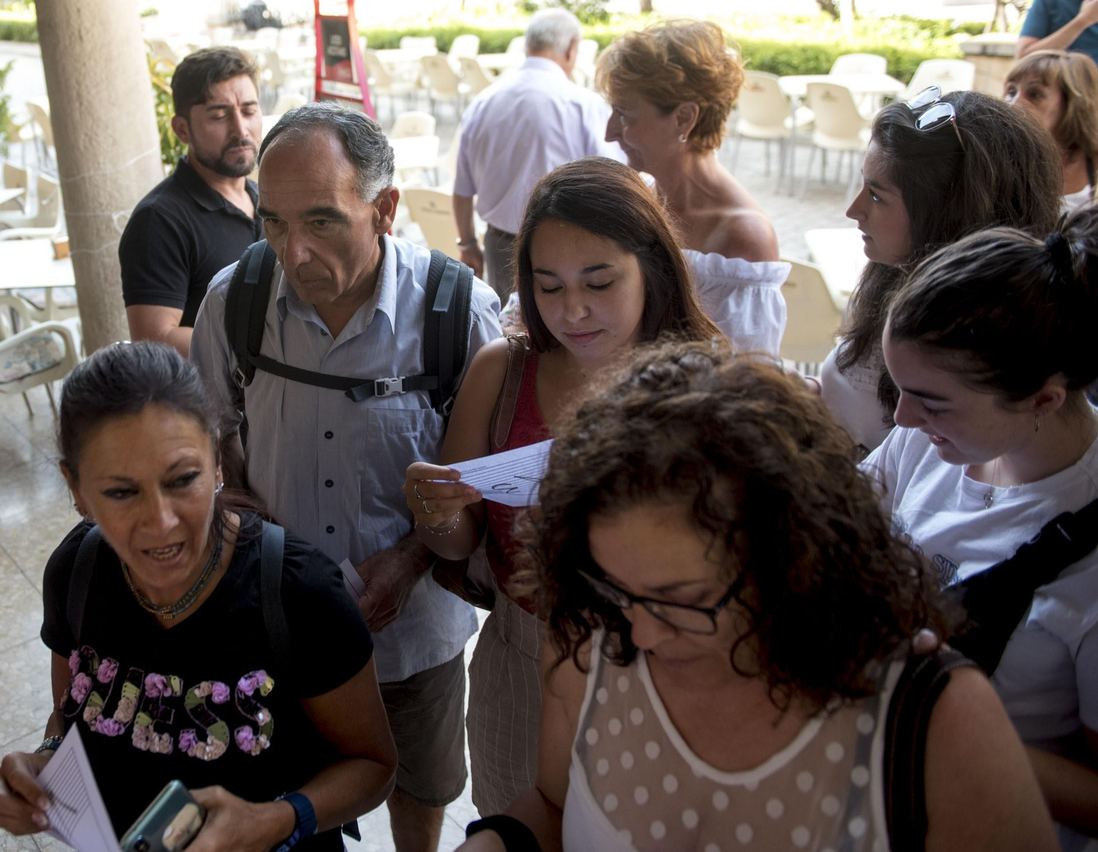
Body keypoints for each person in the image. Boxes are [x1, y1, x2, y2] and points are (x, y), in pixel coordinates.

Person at [453, 341, 1057, 852]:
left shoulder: (934, 720)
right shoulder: (589, 636)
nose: (639, 633)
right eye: (614, 586)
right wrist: (494, 841)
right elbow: (554, 805)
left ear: (795, 559)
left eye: (683, 600)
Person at [193, 102, 503, 852]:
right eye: (273, 222)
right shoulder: (234, 302)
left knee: (419, 790)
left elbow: (488, 484)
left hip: (412, 631)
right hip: (278, 633)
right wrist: (225, 488)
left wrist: (411, 559)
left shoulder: (456, 314)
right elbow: (207, 427)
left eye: (322, 221)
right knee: (296, 795)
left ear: (384, 209)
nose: (293, 251)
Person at [402, 158, 722, 816]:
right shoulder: (502, 371)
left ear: (653, 267)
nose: (572, 311)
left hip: (664, 666)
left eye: (599, 282)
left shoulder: (707, 386)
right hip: (522, 658)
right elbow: (458, 544)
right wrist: (433, 509)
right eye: (548, 287)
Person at [0, 341, 398, 850]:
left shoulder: (298, 593)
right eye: (121, 492)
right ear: (75, 488)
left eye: (182, 479)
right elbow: (72, 712)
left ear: (217, 461)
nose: (161, 522)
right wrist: (46, 758)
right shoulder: (76, 573)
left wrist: (275, 820)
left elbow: (374, 766)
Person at [873, 208, 1098, 846]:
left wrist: (948, 725)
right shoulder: (933, 439)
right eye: (900, 387)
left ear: (1043, 399)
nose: (902, 417)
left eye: (931, 402)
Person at [819, 90, 1063, 453]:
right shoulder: (889, 273)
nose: (853, 210)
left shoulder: (981, 356)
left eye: (876, 195)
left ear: (946, 215)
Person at [595, 20, 790, 354]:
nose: (609, 132)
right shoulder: (642, 196)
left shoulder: (742, 236)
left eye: (624, 114)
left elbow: (741, 375)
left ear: (684, 118)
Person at [453, 8, 616, 303]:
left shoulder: (483, 102)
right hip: (570, 246)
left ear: (528, 45)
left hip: (501, 246)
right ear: (571, 49)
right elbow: (615, 181)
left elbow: (462, 189)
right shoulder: (584, 104)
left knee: (510, 326)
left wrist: (467, 244)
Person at [119, 48, 262, 354]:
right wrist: (267, 353)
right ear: (182, 129)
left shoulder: (269, 201)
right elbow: (155, 339)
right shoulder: (159, 221)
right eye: (219, 116)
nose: (241, 130)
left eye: (249, 111)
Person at [1005, 49, 1098, 210]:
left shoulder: (1092, 160)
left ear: (1072, 104)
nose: (1014, 104)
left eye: (1034, 94)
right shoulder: (999, 158)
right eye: (1012, 92)